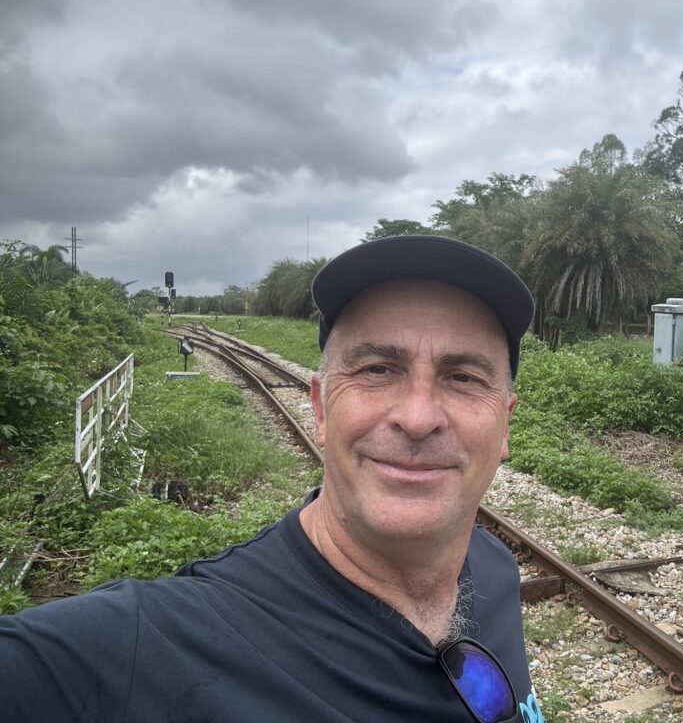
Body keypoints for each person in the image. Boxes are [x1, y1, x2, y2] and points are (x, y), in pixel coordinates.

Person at [0, 235, 545, 723]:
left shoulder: (493, 571)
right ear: (321, 410)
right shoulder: (152, 644)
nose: (419, 416)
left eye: (464, 377)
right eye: (378, 369)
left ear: (504, 424)